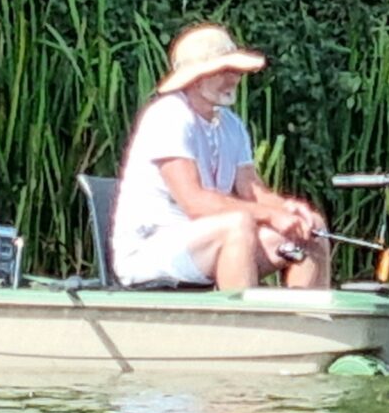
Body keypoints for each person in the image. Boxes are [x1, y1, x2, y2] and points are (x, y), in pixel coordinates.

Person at [111, 23, 330, 291]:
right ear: (196, 78)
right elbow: (195, 202)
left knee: (311, 229)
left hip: (206, 244)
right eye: (224, 71)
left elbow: (252, 191)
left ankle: (304, 317)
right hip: (149, 251)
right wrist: (270, 215)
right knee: (237, 224)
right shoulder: (168, 116)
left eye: (236, 71)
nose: (234, 79)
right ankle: (240, 318)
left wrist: (285, 209)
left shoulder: (231, 124)